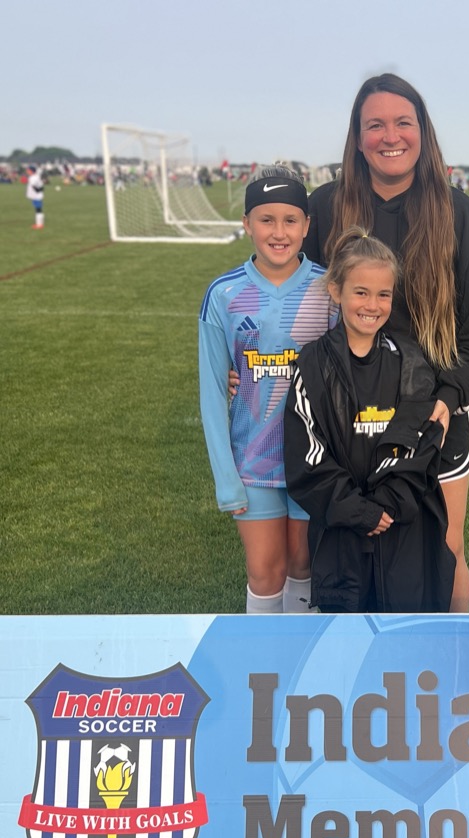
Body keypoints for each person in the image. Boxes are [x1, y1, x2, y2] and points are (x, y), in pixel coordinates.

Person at [302, 73, 469, 612]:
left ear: (422, 131)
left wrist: (448, 399)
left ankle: (453, 674)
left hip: (432, 414)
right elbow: (280, 286)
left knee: (445, 547)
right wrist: (248, 363)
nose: (390, 136)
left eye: (402, 122)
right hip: (346, 413)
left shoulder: (460, 215)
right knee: (351, 549)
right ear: (357, 135)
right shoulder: (323, 209)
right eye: (375, 124)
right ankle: (359, 685)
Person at [283, 227, 455, 613]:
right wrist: (359, 511)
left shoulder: (411, 363)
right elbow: (306, 458)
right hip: (341, 536)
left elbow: (422, 446)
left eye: (383, 294)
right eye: (360, 292)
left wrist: (387, 506)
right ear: (336, 291)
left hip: (404, 533)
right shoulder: (312, 366)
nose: (372, 304)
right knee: (347, 645)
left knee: (404, 642)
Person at [199, 165, 337, 613]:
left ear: (307, 226)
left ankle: (299, 670)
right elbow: (212, 390)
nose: (279, 232)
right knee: (264, 570)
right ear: (246, 224)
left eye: (290, 220)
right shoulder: (224, 293)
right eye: (266, 219)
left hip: (312, 461)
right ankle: (262, 665)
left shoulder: (327, 289)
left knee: (304, 565)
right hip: (252, 462)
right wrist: (226, 479)